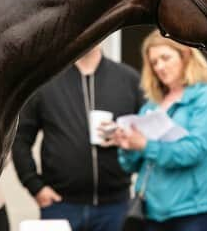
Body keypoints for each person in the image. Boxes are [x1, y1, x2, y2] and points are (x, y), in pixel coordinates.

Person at [12, 45, 143, 231]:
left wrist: (125, 136)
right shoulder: (46, 81)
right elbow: (20, 138)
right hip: (59, 205)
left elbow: (147, 136)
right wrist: (35, 186)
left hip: (115, 206)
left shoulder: (128, 79)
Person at [108, 30, 207, 231]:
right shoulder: (152, 105)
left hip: (192, 212)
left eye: (165, 58)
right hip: (151, 211)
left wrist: (145, 145)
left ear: (185, 55)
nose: (159, 67)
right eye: (154, 62)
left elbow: (194, 151)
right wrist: (127, 145)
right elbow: (133, 166)